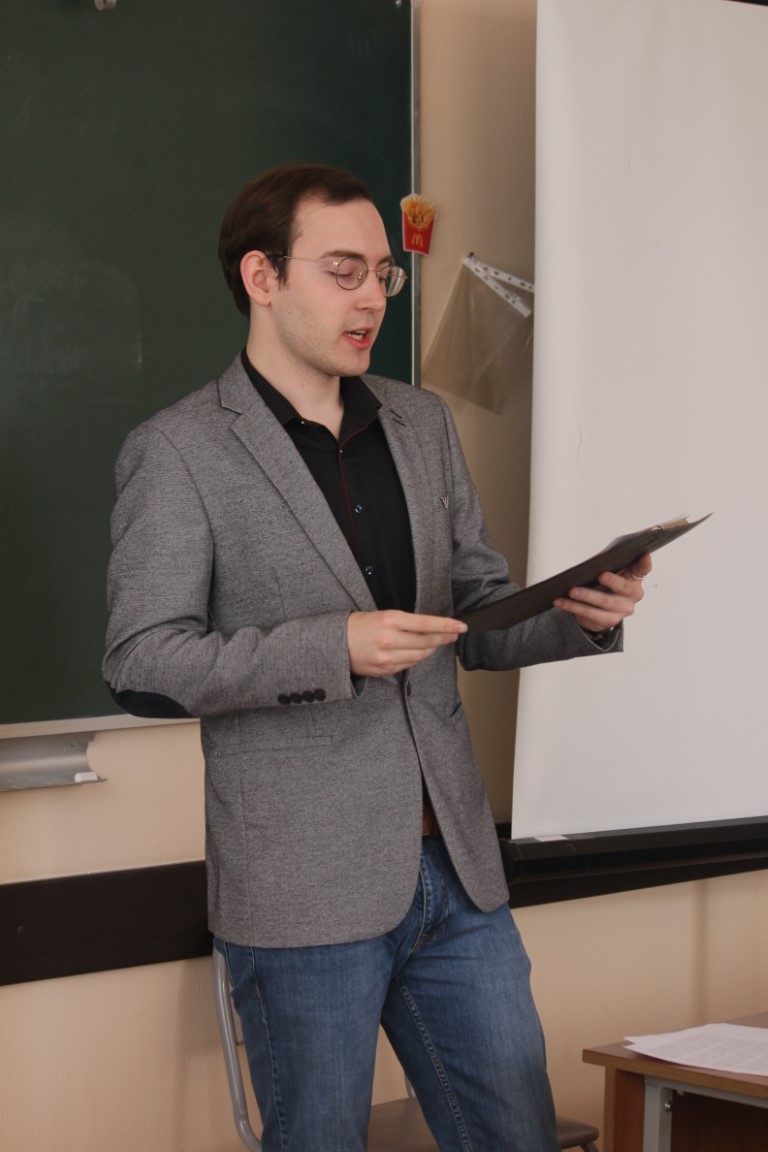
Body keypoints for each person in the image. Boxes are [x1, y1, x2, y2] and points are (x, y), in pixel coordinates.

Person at [103, 162, 649, 1152]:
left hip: (457, 870)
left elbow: (475, 612)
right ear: (262, 277)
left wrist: (581, 616)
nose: (372, 300)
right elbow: (142, 660)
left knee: (517, 1136)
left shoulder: (422, 422)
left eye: (384, 276)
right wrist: (333, 647)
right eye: (344, 271)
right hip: (303, 886)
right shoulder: (178, 451)